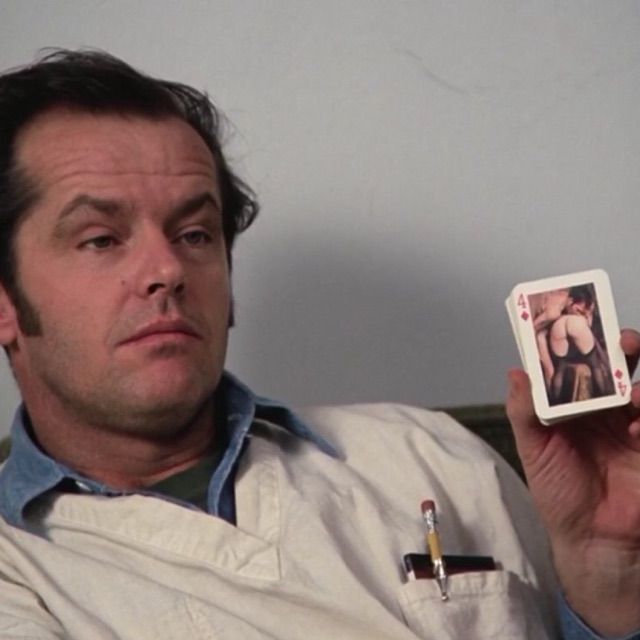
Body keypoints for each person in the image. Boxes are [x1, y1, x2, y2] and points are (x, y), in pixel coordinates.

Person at [0, 49, 639, 639]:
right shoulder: (16, 575)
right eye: (100, 239)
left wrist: (607, 578)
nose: (167, 270)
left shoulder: (432, 454)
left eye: (195, 234)